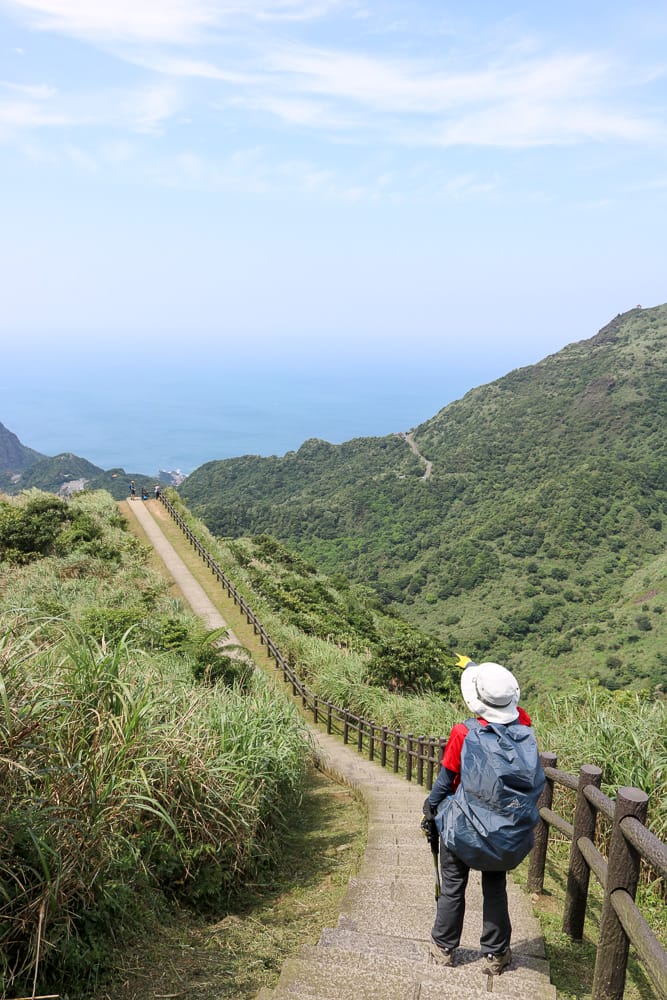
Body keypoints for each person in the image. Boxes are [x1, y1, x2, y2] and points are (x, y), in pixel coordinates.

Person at [422, 659, 533, 976]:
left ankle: (444, 949)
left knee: (453, 887)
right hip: (501, 828)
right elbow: (514, 713)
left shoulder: (463, 732)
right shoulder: (522, 729)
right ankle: (496, 955)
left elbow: (445, 783)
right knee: (495, 888)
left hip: (462, 828)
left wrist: (430, 809)